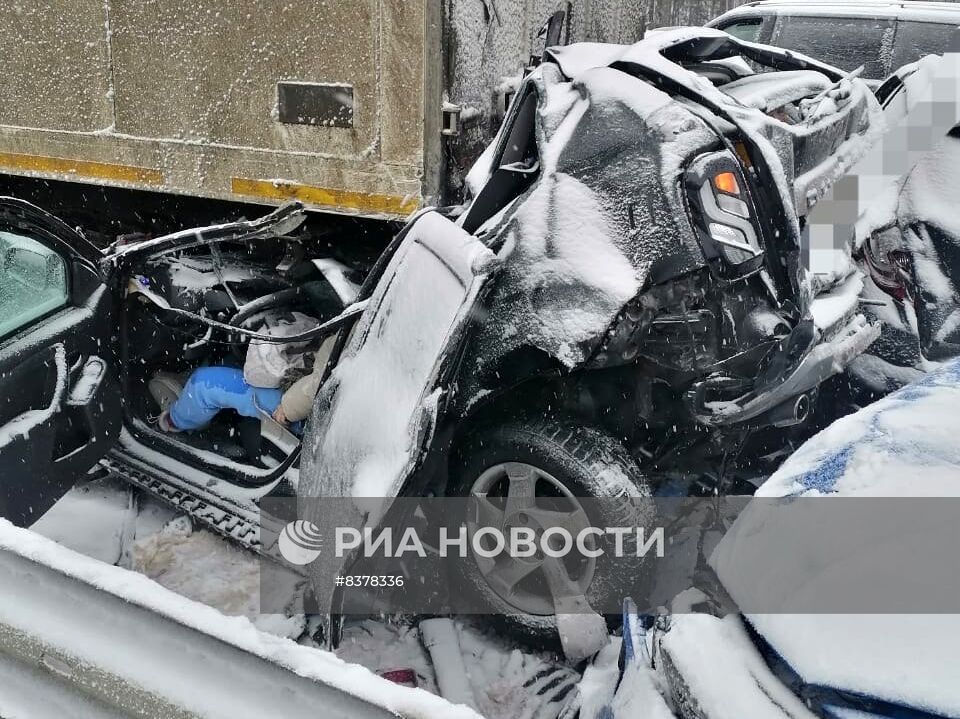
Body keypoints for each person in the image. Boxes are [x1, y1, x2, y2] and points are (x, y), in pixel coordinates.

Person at [154, 334, 336, 434]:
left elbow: (318, 386)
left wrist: (289, 409)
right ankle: (190, 400)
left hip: (313, 411)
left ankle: (175, 421)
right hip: (316, 378)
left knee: (203, 384)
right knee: (239, 361)